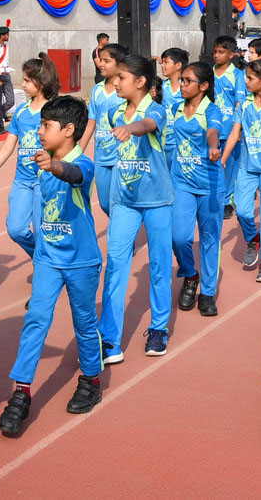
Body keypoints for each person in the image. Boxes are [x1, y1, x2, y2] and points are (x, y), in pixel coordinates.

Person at [0, 96, 104, 436]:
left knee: (84, 322)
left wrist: (53, 166)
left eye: (46, 126)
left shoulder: (81, 163)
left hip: (81, 262)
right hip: (47, 259)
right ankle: (21, 392)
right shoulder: (40, 161)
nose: (40, 132)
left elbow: (72, 174)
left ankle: (91, 378)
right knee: (36, 321)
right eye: (40, 125)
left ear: (68, 130)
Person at [99, 55, 174, 362]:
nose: (115, 82)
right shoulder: (113, 110)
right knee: (115, 265)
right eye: (115, 77)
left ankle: (158, 329)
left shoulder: (156, 109)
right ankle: (110, 338)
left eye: (122, 78)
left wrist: (131, 127)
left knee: (158, 267)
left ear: (141, 82)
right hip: (125, 202)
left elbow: (146, 125)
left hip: (156, 201)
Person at [0, 53, 60, 258]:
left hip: (46, 180)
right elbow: (8, 146)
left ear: (40, 83)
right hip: (22, 181)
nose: (22, 85)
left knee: (44, 231)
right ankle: (42, 257)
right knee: (16, 229)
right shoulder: (21, 112)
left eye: (26, 80)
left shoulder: (54, 111)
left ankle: (46, 264)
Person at [222, 59, 261, 280]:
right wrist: (223, 158)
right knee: (241, 210)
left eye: (250, 78)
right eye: (246, 77)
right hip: (248, 167)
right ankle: (253, 238)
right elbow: (234, 133)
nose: (246, 82)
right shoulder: (244, 104)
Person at [171, 61, 224, 315]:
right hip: (181, 183)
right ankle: (191, 275)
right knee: (179, 237)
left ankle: (208, 293)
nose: (181, 85)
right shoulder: (174, 109)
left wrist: (214, 148)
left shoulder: (212, 111)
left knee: (210, 240)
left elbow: (213, 131)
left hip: (210, 186)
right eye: (181, 80)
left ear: (203, 86)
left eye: (187, 81)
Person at [79, 42, 125, 217]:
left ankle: (121, 240)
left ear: (119, 63)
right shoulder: (97, 90)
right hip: (101, 158)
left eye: (106, 61)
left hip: (121, 157)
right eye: (100, 60)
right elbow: (91, 124)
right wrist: (77, 152)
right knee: (105, 203)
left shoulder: (125, 89)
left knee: (116, 202)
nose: (101, 64)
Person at [213, 36, 248, 220]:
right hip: (212, 127)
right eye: (215, 52)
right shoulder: (209, 73)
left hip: (230, 127)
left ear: (232, 54)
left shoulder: (237, 75)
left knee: (230, 165)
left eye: (221, 52)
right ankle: (215, 196)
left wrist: (239, 127)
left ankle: (227, 200)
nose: (217, 56)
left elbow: (239, 102)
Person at [158, 47, 187, 165]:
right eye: (162, 62)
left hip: (180, 142)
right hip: (163, 141)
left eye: (166, 62)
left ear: (178, 65)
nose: (162, 65)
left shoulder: (187, 87)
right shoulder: (161, 87)